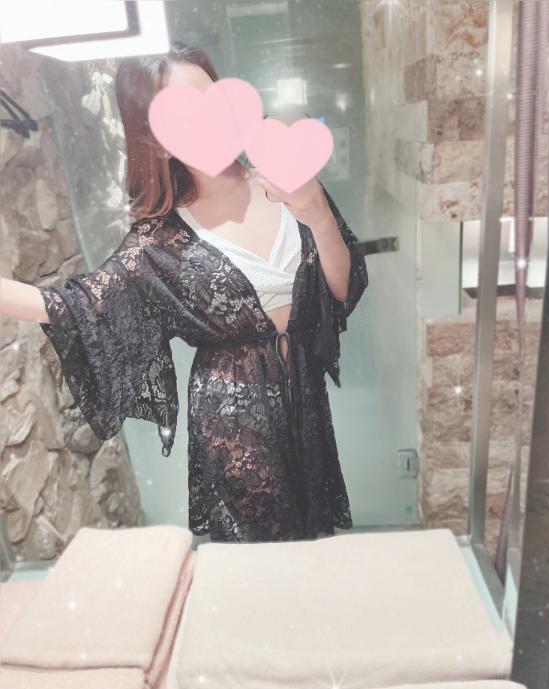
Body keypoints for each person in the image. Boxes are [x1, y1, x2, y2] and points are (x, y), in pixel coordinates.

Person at [0, 42, 368, 543]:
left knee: (315, 545)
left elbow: (340, 291)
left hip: (305, 404)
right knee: (263, 561)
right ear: (157, 142)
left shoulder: (283, 175)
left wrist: (319, 215)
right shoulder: (160, 241)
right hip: (234, 425)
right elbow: (73, 308)